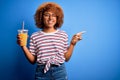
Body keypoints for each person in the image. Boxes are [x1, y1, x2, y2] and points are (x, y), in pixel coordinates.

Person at [17, 2, 82, 80]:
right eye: (47, 15)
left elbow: (66, 58)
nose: (50, 18)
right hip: (41, 73)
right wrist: (23, 46)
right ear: (41, 17)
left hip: (60, 72)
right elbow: (33, 60)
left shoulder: (63, 35)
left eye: (54, 15)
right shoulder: (34, 36)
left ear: (58, 18)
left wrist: (72, 44)